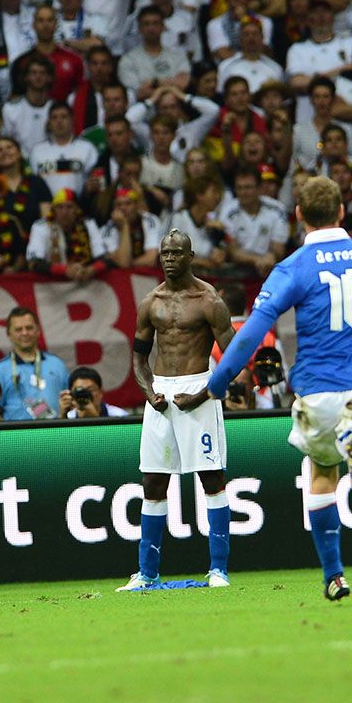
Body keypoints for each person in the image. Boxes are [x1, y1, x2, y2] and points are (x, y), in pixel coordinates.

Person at [208, 176, 352, 602]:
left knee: (322, 475)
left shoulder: (295, 266)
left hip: (317, 391)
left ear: (299, 216)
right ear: (343, 212)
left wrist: (217, 383)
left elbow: (253, 331)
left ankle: (334, 575)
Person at [119, 230, 238, 592]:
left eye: (176, 253)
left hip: (197, 389)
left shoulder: (209, 300)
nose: (169, 259)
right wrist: (148, 390)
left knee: (211, 479)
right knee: (154, 481)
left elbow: (232, 359)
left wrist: (205, 394)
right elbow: (139, 357)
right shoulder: (150, 302)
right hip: (160, 395)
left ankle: (218, 570)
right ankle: (146, 573)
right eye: (164, 253)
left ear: (191, 256)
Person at [0, 306, 71, 420]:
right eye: (18, 329)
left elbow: (71, 404)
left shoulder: (57, 364)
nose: (25, 333)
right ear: (8, 334)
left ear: (38, 330)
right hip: (15, 436)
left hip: (53, 434)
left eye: (29, 328)